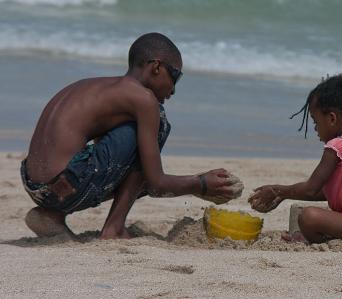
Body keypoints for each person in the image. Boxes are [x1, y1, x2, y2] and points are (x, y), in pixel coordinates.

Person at [21, 32, 236, 240]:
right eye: (175, 77)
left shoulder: (98, 87)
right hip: (63, 188)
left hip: (35, 186)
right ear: (156, 67)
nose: (172, 91)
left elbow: (111, 161)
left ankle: (51, 216)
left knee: (138, 146)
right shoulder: (144, 100)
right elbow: (156, 183)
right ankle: (113, 229)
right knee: (157, 126)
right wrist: (200, 184)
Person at [248, 68, 342, 243]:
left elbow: (311, 188)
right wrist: (284, 195)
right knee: (311, 214)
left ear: (332, 119)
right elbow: (325, 193)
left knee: (308, 216)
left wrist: (276, 190)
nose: (316, 129)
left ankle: (318, 240)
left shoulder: (337, 146)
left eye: (316, 122)